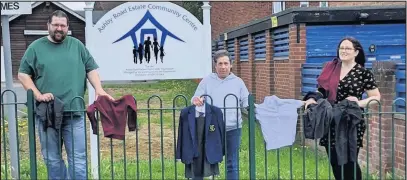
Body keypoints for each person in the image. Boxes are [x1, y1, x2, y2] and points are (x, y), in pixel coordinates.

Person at [17, 10, 114, 180]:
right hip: (47, 113)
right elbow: (23, 75)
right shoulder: (35, 48)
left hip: (74, 112)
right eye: (55, 25)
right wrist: (38, 95)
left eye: (63, 25)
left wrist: (99, 89)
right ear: (48, 25)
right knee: (52, 159)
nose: (59, 28)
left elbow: (90, 69)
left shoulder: (77, 46)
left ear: (67, 27)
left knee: (78, 159)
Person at [304, 37, 381, 180]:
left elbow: (376, 97)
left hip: (350, 122)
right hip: (331, 120)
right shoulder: (330, 68)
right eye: (341, 48)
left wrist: (358, 103)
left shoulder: (363, 73)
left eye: (348, 48)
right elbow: (322, 91)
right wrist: (312, 98)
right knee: (335, 161)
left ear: (356, 52)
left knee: (349, 162)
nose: (344, 51)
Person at [192, 49, 249, 180]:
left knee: (232, 164)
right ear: (215, 65)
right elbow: (195, 97)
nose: (223, 67)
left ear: (231, 65)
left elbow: (246, 102)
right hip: (211, 128)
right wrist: (197, 100)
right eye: (220, 64)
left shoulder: (238, 82)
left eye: (226, 63)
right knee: (205, 160)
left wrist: (255, 109)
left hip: (233, 128)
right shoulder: (207, 81)